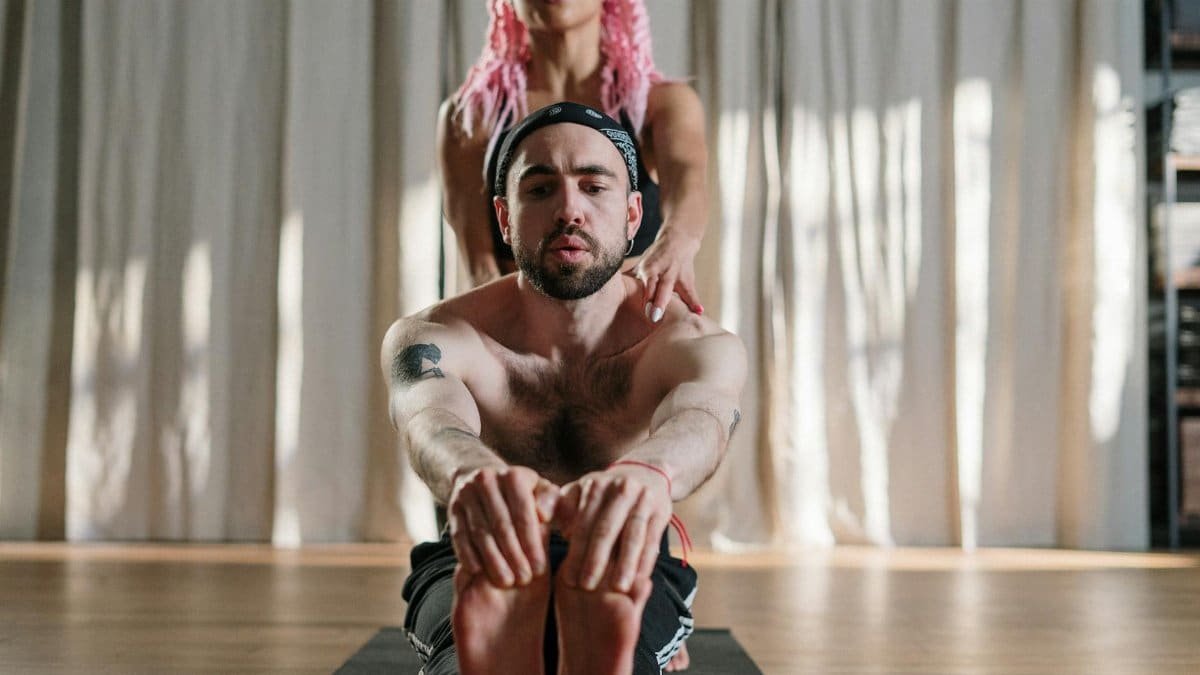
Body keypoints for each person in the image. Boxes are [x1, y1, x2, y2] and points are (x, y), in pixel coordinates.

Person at [384, 102, 745, 675]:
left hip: (622, 549)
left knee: (626, 639)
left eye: (593, 187)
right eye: (541, 189)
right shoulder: (436, 335)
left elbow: (702, 417)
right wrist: (473, 474)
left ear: (633, 216)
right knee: (464, 657)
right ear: (503, 218)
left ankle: (601, 640)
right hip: (478, 551)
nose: (569, 210)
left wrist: (649, 474)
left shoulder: (693, 341)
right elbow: (429, 420)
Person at [438, 0, 709, 323]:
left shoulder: (660, 104)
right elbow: (478, 268)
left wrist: (677, 240)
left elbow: (688, 180)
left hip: (631, 330)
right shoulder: (471, 116)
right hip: (519, 334)